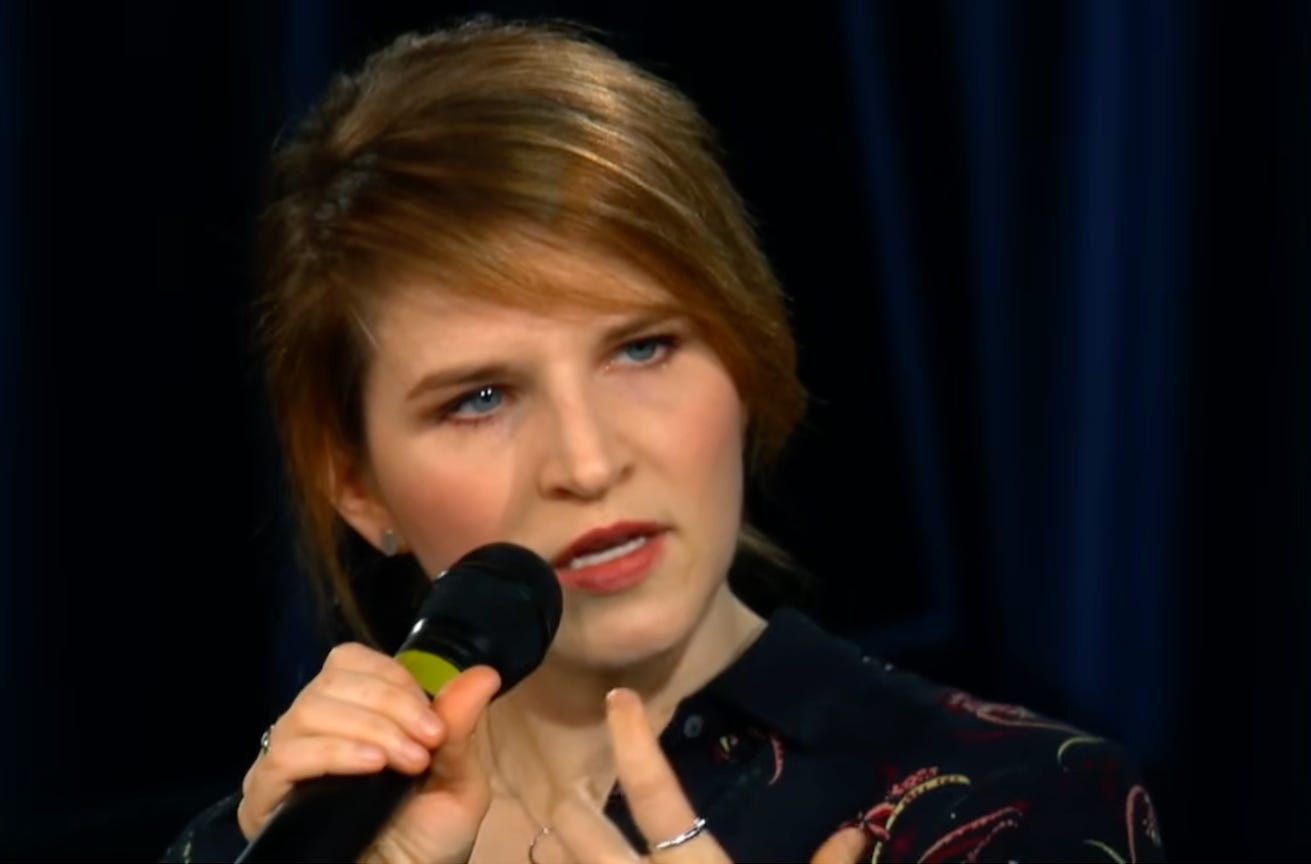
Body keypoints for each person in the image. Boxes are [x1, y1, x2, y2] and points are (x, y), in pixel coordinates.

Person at [163, 16, 1165, 864]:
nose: (590, 465)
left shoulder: (1018, 806)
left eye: (643, 348)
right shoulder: (256, 844)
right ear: (357, 485)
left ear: (743, 349)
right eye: (478, 398)